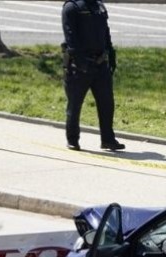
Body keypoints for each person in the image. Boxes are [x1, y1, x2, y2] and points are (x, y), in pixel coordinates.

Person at [61, 0, 125, 152]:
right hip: (79, 66)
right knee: (74, 105)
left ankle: (108, 139)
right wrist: (81, 62)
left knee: (106, 103)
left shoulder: (99, 6)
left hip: (100, 64)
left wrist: (111, 53)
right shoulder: (72, 7)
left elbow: (105, 31)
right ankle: (73, 140)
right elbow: (70, 37)